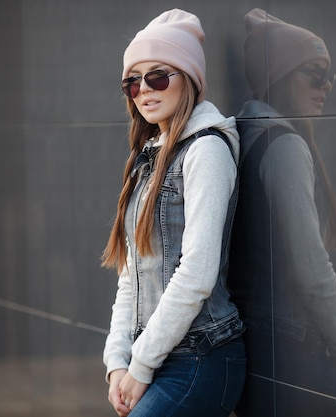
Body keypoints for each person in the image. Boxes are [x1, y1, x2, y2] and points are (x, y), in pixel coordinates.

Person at [101, 9, 246, 417]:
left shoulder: (207, 150)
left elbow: (198, 273)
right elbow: (131, 276)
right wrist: (118, 362)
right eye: (133, 81)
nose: (144, 89)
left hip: (201, 358)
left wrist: (141, 365)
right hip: (156, 357)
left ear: (191, 79)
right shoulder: (148, 156)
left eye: (159, 76)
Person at [229, 9, 336, 416]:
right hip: (287, 350)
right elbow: (312, 267)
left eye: (329, 75)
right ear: (280, 76)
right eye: (314, 73)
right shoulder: (283, 146)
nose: (325, 85)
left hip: (250, 350)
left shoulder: (239, 133)